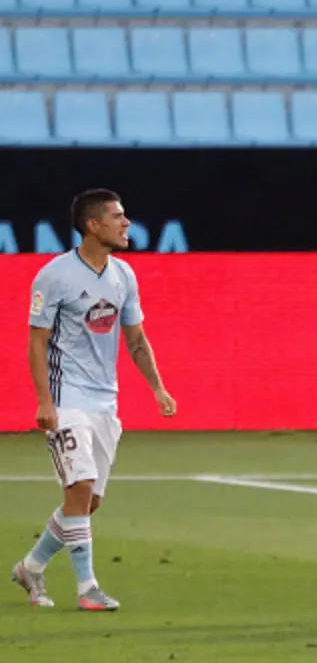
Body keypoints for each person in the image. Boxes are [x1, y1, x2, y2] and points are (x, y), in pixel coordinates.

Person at [13, 188, 178, 612]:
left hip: (105, 402)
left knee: (89, 501)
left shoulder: (124, 274)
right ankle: (88, 588)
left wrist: (157, 387)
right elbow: (37, 342)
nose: (126, 224)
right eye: (118, 216)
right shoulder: (55, 276)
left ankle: (31, 567)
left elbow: (136, 337)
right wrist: (44, 401)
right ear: (92, 225)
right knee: (80, 486)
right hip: (66, 398)